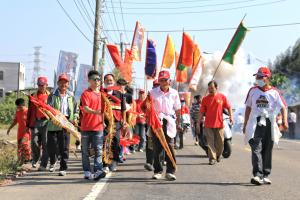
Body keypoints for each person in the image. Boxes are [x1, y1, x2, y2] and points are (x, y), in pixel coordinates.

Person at [243, 66, 288, 185]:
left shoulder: (275, 92)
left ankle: (265, 174)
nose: (258, 79)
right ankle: (257, 175)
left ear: (267, 78)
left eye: (260, 77)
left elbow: (284, 107)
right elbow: (248, 108)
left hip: (270, 122)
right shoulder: (252, 90)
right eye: (257, 76)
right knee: (256, 147)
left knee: (267, 148)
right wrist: (245, 124)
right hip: (255, 122)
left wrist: (285, 121)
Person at [149, 70, 181, 181]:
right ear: (159, 81)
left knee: (170, 147)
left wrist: (179, 122)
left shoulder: (174, 93)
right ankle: (158, 171)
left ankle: (170, 171)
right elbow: (147, 107)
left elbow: (177, 109)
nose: (163, 82)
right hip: (156, 122)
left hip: (169, 122)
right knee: (157, 148)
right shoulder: (152, 92)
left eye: (165, 80)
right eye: (161, 80)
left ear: (169, 81)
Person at [47, 74, 78, 176]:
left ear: (68, 84)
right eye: (61, 82)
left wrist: (75, 118)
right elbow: (48, 109)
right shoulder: (52, 96)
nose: (63, 84)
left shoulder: (71, 97)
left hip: (66, 122)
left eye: (65, 82)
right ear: (57, 83)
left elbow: (75, 110)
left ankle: (63, 167)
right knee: (52, 146)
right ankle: (53, 161)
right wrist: (54, 117)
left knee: (64, 147)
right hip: (54, 122)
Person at [80, 70, 106, 180]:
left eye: (99, 79)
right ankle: (86, 171)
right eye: (95, 79)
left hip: (98, 127)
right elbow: (85, 108)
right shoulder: (85, 93)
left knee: (99, 150)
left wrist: (103, 121)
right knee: (85, 151)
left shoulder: (102, 95)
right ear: (89, 80)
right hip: (86, 127)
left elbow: (104, 110)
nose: (97, 81)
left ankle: (98, 171)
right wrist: (96, 112)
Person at [199, 80, 233, 165]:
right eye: (209, 88)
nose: (210, 89)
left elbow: (229, 107)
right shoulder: (205, 99)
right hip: (208, 124)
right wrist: (198, 122)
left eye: (212, 88)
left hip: (220, 124)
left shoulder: (222, 97)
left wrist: (231, 116)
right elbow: (201, 112)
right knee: (210, 142)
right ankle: (212, 158)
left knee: (220, 142)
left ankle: (218, 155)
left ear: (216, 87)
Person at [102, 74, 126, 173]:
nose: (109, 82)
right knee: (105, 142)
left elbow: (123, 109)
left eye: (111, 80)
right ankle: (105, 164)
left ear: (114, 81)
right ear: (104, 81)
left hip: (116, 122)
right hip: (104, 122)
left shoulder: (119, 94)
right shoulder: (101, 93)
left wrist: (124, 120)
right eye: (107, 80)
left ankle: (114, 161)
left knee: (116, 142)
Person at [26, 76, 50, 170]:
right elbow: (29, 111)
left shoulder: (51, 96)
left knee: (46, 143)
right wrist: (27, 124)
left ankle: (43, 164)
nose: (41, 87)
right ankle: (35, 160)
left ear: (46, 85)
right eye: (39, 85)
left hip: (47, 122)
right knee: (34, 142)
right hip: (35, 121)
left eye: (42, 85)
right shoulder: (33, 96)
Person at [7, 98, 31, 164]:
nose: (18, 107)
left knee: (24, 144)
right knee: (19, 146)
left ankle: (28, 159)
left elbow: (32, 121)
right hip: (20, 132)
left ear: (23, 105)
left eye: (20, 106)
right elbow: (15, 121)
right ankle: (20, 160)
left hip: (27, 132)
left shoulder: (28, 111)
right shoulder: (18, 112)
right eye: (17, 106)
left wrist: (29, 128)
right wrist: (9, 128)